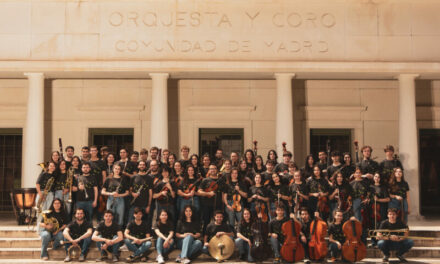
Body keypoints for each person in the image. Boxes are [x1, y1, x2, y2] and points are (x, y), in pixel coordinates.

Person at [197, 164, 223, 231]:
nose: (213, 170)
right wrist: (208, 193)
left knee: (218, 222)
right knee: (206, 222)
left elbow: (223, 192)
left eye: (214, 168)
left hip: (218, 205)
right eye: (211, 169)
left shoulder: (220, 180)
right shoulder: (205, 180)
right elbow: (199, 192)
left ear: (216, 170)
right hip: (206, 204)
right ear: (209, 170)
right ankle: (206, 237)